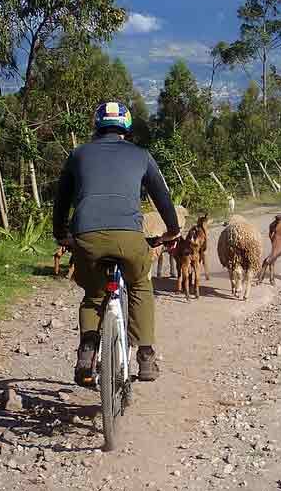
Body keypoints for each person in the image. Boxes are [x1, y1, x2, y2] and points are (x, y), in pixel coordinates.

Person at [53, 101, 180, 387]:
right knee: (140, 285)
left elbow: (61, 201)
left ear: (97, 124)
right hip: (129, 238)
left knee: (94, 295)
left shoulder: (78, 154)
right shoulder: (141, 155)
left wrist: (61, 234)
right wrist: (172, 231)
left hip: (87, 237)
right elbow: (163, 199)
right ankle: (145, 357)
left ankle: (86, 354)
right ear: (127, 125)